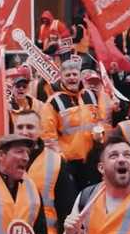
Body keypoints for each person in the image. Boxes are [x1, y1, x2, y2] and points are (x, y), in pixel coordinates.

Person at [41, 59, 100, 187]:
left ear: (80, 76)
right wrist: (61, 160)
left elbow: (99, 122)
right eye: (67, 75)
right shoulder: (53, 102)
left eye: (74, 74)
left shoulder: (91, 95)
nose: (72, 78)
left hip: (92, 160)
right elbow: (48, 136)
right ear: (61, 77)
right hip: (69, 163)